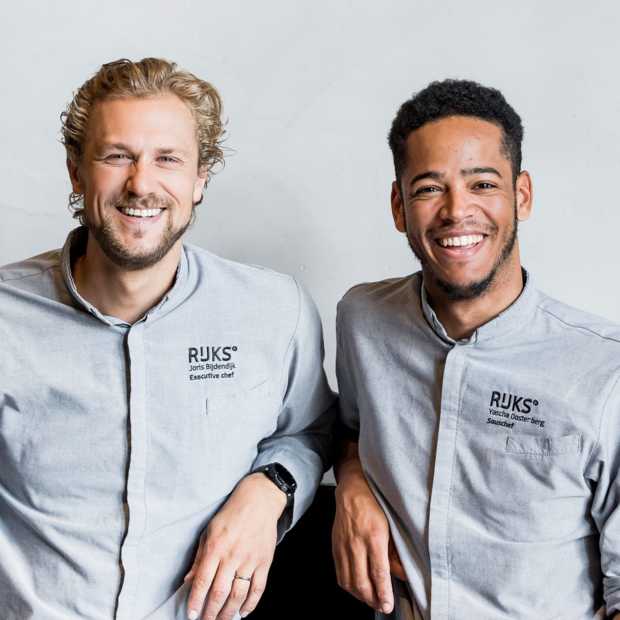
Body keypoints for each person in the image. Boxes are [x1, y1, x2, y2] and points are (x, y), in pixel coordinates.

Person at [0, 57, 335, 620]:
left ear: (200, 178)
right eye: (116, 156)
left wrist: (270, 488)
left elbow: (311, 429)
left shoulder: (276, 311)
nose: (141, 183)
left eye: (168, 159)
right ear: (76, 173)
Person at [331, 79, 620, 619]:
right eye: (428, 189)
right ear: (399, 207)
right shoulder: (362, 320)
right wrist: (352, 481)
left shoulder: (606, 371)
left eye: (482, 184)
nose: (456, 210)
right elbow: (349, 428)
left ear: (522, 195)